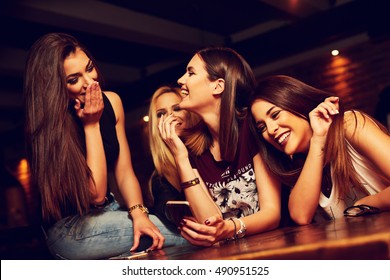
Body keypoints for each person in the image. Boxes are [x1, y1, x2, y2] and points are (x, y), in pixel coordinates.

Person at [23, 33, 186, 259]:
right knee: (185, 239)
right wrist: (91, 124)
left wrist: (138, 213)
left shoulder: (112, 102)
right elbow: (96, 194)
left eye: (89, 68)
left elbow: (125, 172)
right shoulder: (48, 129)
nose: (90, 83)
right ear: (55, 87)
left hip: (111, 211)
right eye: (73, 80)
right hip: (70, 230)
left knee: (158, 235)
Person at [159, 47, 281, 246]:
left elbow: (272, 213)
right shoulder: (192, 147)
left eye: (191, 73)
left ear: (218, 86)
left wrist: (229, 227)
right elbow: (209, 223)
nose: (181, 80)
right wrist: (181, 158)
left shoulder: (252, 127)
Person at [250, 75, 390, 225]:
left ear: (297, 104)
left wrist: (365, 205)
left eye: (275, 115)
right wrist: (317, 140)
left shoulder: (348, 125)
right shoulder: (298, 164)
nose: (270, 130)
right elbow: (301, 216)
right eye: (262, 127)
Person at [147, 85, 199, 230]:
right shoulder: (160, 178)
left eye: (176, 108)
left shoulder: (208, 151)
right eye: (161, 113)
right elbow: (171, 218)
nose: (171, 116)